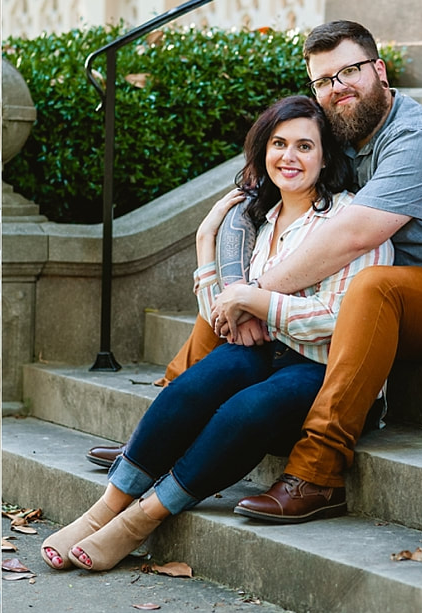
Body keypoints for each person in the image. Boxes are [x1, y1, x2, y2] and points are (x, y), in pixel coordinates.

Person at [88, 20, 422, 520]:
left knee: (369, 286)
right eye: (323, 80)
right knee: (255, 292)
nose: (337, 88)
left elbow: (354, 235)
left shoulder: (418, 134)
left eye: (350, 72)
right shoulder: (342, 134)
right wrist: (226, 265)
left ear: (379, 70)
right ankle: (164, 428)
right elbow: (259, 194)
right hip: (392, 297)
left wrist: (252, 295)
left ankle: (318, 473)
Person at [40, 95, 393, 572]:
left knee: (247, 408)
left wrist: (256, 301)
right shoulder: (259, 222)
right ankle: (106, 506)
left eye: (304, 146)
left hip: (328, 368)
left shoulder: (353, 221)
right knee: (195, 385)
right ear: (262, 151)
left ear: (326, 156)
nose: (289, 157)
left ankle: (143, 517)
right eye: (278, 143)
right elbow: (221, 316)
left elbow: (342, 320)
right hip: (271, 351)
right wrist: (206, 239)